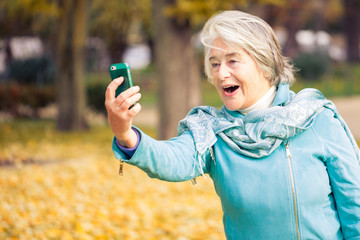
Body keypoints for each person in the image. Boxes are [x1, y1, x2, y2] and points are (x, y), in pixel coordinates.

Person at [105, 10, 360, 240]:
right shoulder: (211, 131)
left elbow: (354, 204)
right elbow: (171, 159)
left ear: (265, 64)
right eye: (214, 64)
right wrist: (125, 134)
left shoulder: (317, 118)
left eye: (232, 61)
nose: (220, 73)